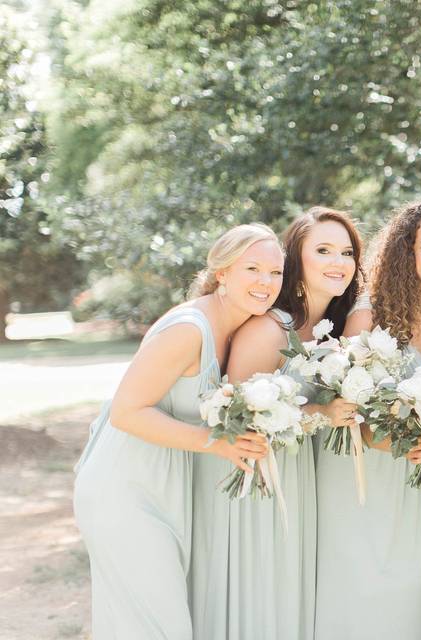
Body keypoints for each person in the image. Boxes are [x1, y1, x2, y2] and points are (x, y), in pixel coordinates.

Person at [74, 224, 279, 639]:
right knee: (157, 627)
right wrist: (216, 443)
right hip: (125, 491)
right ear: (222, 273)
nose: (265, 282)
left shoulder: (236, 329)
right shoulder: (190, 329)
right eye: (253, 268)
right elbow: (127, 412)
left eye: (275, 273)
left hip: (165, 492)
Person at [191, 207, 363, 639]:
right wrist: (320, 413)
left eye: (346, 252)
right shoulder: (268, 329)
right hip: (252, 481)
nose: (337, 261)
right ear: (295, 260)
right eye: (323, 250)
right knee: (257, 591)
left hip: (298, 478)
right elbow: (238, 416)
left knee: (290, 594)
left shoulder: (333, 331)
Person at [314, 199, 421, 640]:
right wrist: (383, 438)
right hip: (359, 470)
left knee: (405, 581)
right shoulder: (370, 312)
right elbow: (341, 401)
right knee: (361, 584)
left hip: (411, 473)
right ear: (407, 250)